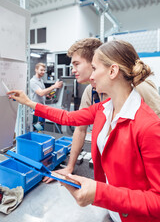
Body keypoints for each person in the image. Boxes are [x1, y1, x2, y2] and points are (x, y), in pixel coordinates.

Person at [8, 40, 160, 222]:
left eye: (94, 69)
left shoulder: (148, 126)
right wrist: (29, 102)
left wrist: (101, 192)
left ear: (112, 71)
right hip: (113, 212)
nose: (92, 76)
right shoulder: (105, 108)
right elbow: (68, 118)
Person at [44, 38, 160, 184]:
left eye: (76, 64)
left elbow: (154, 133)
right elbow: (79, 128)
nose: (73, 70)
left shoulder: (139, 89)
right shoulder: (90, 92)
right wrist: (69, 167)